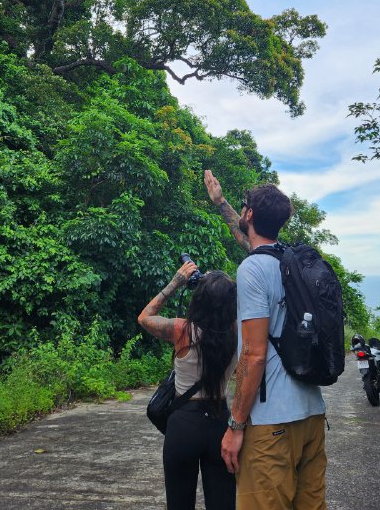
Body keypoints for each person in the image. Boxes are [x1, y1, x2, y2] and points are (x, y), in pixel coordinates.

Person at [204, 170, 327, 510]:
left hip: (272, 424)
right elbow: (250, 242)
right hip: (312, 416)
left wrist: (235, 425)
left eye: (244, 208)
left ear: (251, 215)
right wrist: (221, 203)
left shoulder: (253, 270)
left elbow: (254, 356)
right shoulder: (293, 262)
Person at [138, 261, 238, 510]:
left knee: (179, 502)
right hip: (220, 421)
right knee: (223, 502)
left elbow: (144, 317)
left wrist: (176, 282)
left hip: (184, 424)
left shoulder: (182, 330)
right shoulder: (239, 332)